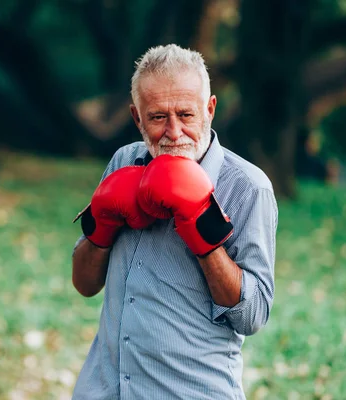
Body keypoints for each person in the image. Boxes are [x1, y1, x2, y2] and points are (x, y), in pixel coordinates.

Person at [71, 44, 278, 399]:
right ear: (137, 117)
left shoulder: (247, 187)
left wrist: (202, 227)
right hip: (104, 390)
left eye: (185, 114)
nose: (174, 132)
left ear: (209, 109)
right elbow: (84, 283)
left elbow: (253, 316)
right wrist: (101, 226)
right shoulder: (125, 162)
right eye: (157, 118)